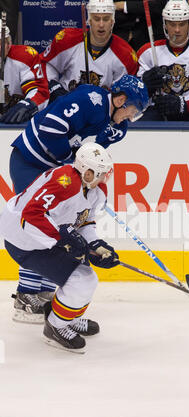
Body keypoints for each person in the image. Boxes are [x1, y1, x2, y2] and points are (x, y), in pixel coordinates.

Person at [8, 74, 149, 324]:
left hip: (61, 171)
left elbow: (94, 156)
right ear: (119, 99)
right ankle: (26, 295)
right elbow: (50, 128)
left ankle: (42, 290)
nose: (131, 116)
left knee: (66, 223)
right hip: (32, 162)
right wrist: (70, 161)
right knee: (38, 223)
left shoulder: (118, 128)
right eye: (132, 109)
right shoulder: (88, 100)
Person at [0, 142, 120, 354]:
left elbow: (84, 221)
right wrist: (63, 239)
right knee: (82, 280)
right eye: (101, 173)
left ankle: (67, 316)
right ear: (88, 172)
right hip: (23, 240)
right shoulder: (64, 182)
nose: (104, 178)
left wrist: (96, 245)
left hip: (46, 237)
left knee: (86, 278)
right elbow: (31, 216)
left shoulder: (96, 189)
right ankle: (56, 326)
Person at [40, 0, 138, 103]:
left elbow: (123, 95)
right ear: (89, 21)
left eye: (106, 19)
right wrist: (54, 87)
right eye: (96, 19)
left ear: (112, 22)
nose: (101, 24)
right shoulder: (67, 39)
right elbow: (47, 63)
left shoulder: (126, 54)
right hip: (64, 104)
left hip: (101, 113)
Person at [0, 20, 49, 124]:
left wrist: (29, 104)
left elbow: (40, 91)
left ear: (9, 44)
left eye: (1, 43)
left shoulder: (25, 56)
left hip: (17, 124)